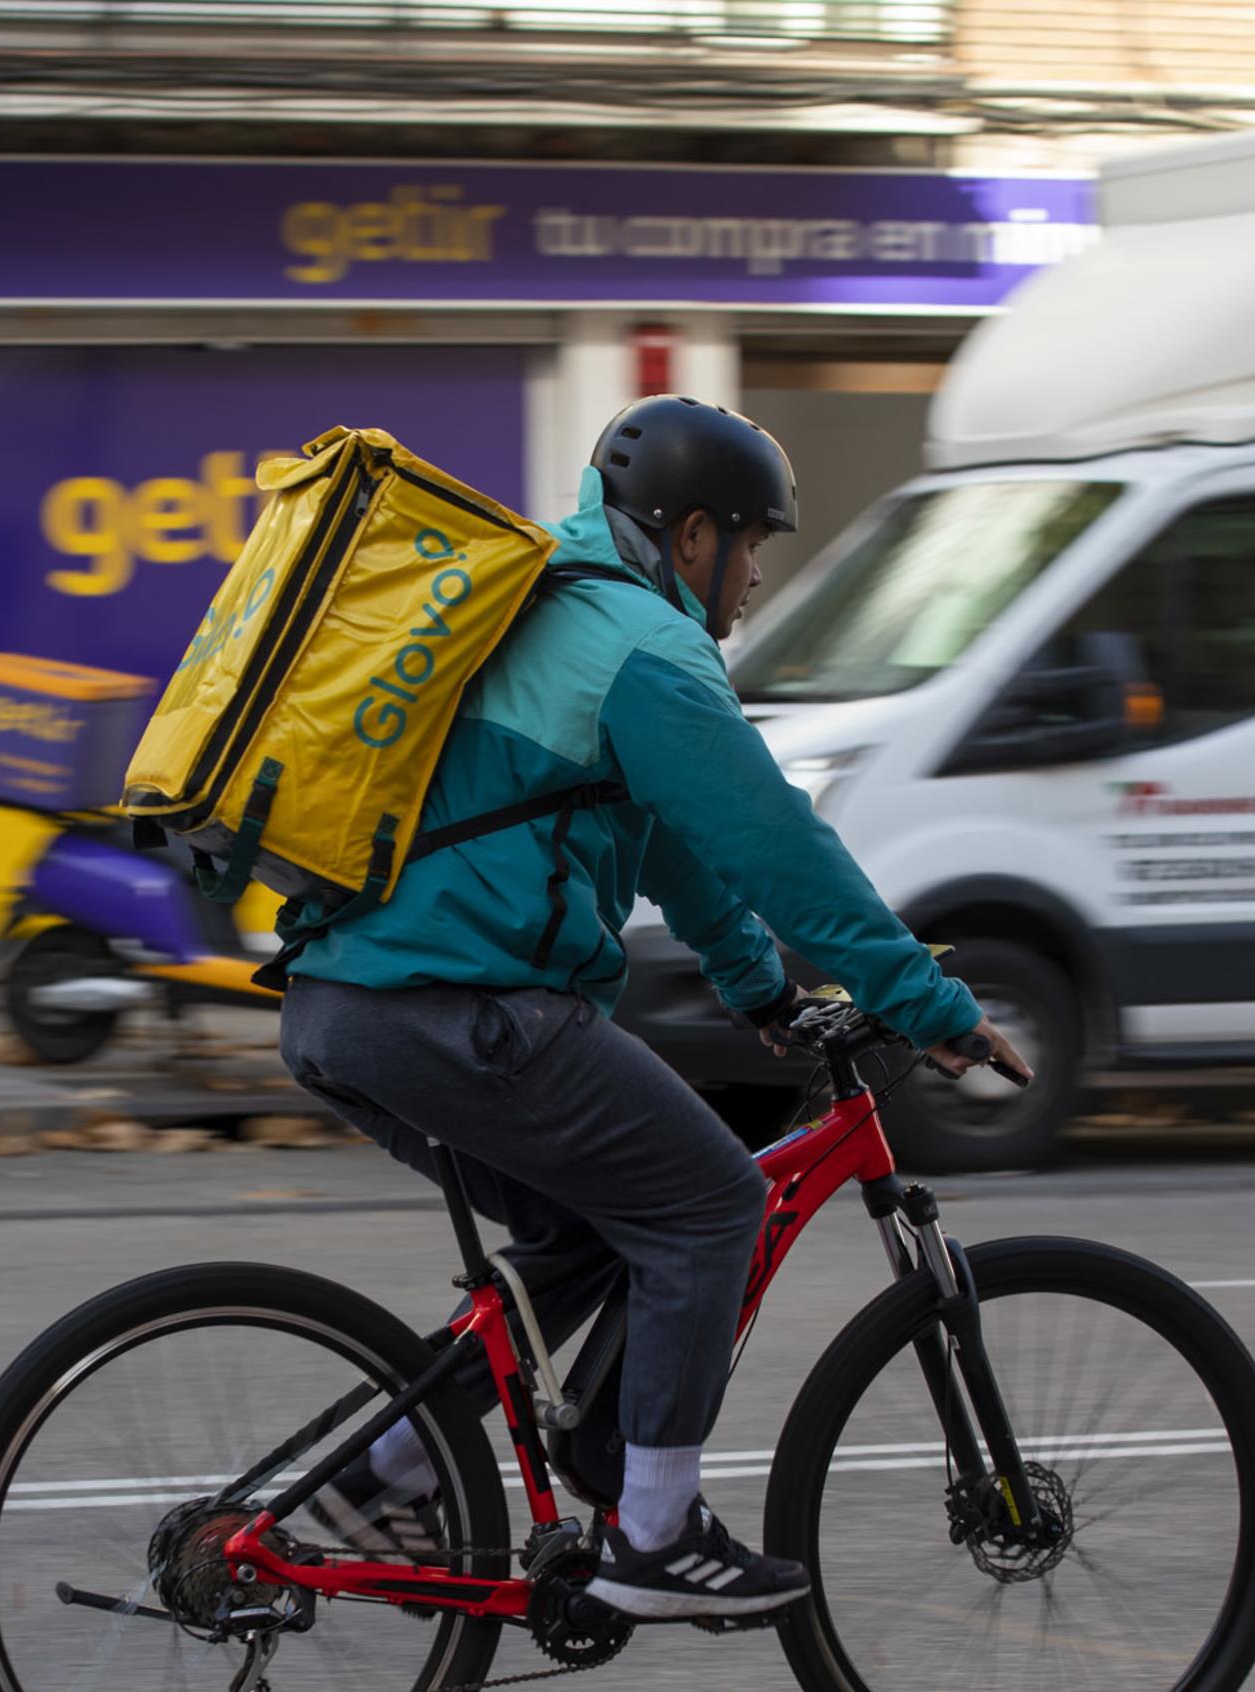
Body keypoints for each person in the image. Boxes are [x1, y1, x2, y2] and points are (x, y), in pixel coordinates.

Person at [286, 394, 1032, 1623]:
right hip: (460, 1005)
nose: (749, 582)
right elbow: (777, 845)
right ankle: (652, 1532)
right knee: (710, 1204)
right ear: (691, 535)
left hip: (348, 1006)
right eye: (752, 548)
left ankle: (382, 1480)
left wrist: (760, 990)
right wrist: (924, 999)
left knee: (588, 1231)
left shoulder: (560, 613)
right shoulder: (642, 645)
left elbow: (679, 851)